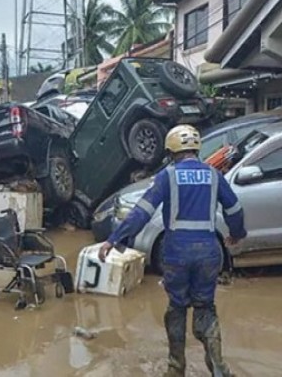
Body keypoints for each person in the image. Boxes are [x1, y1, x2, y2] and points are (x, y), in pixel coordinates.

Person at [99, 124, 247, 377]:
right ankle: (219, 370)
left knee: (176, 308)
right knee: (206, 308)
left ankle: (176, 368)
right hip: (209, 253)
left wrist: (115, 238)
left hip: (177, 252)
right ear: (196, 148)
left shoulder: (167, 176)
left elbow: (142, 211)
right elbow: (234, 210)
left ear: (171, 151)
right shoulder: (213, 174)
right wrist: (236, 234)